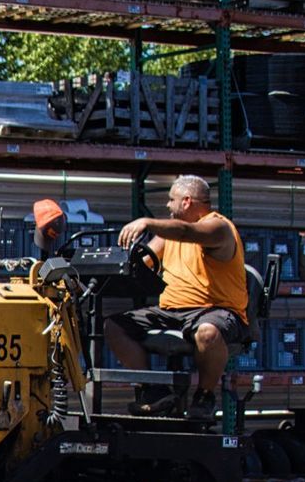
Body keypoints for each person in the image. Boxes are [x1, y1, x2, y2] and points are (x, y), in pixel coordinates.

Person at [105, 174, 250, 422]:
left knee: (207, 332)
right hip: (172, 311)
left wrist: (147, 222)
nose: (167, 206)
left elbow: (186, 232)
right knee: (114, 326)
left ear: (186, 202)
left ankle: (204, 397)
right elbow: (142, 263)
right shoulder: (167, 236)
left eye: (171, 200)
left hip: (215, 310)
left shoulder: (218, 228)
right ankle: (153, 391)